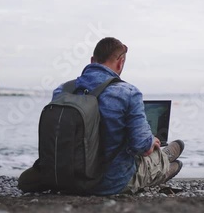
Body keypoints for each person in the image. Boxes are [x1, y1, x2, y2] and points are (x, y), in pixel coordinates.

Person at [18, 37, 185, 195]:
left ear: (92, 60)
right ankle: (163, 162)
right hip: (110, 183)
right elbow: (141, 146)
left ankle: (163, 159)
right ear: (120, 63)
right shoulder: (128, 93)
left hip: (65, 179)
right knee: (155, 154)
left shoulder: (63, 90)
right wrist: (151, 141)